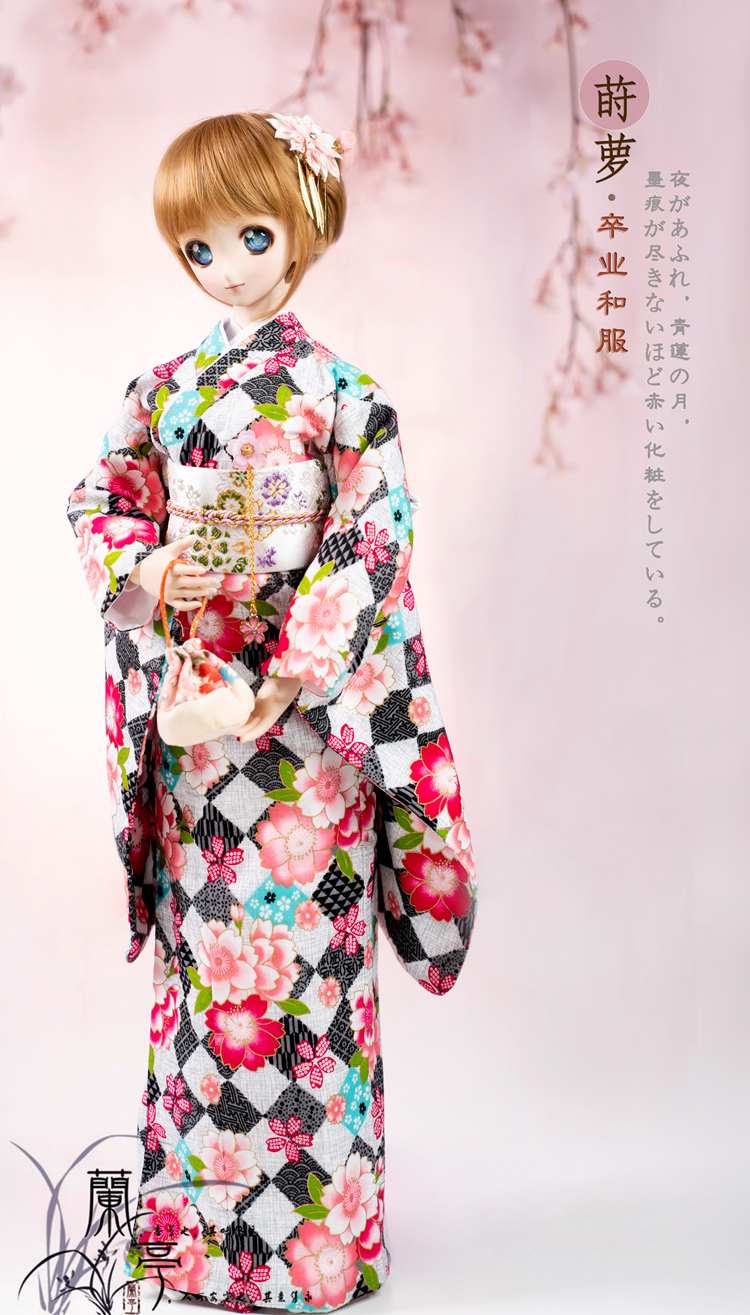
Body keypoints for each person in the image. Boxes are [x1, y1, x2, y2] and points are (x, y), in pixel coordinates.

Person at [67, 111, 476, 1311]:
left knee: (310, 976)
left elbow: (373, 533)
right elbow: (99, 500)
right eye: (201, 247)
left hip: (308, 735)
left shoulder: (347, 393)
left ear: (301, 224)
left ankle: (320, 1246)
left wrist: (293, 671)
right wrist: (153, 567)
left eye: (250, 236)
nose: (229, 266)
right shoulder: (164, 390)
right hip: (201, 725)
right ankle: (194, 1241)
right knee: (209, 974)